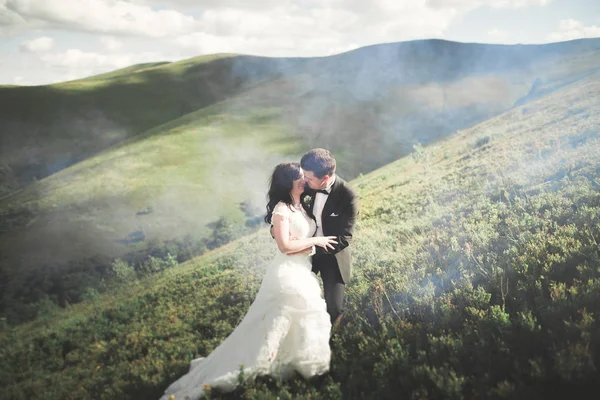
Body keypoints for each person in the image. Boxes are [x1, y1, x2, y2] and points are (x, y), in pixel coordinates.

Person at [159, 162, 337, 400]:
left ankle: (301, 365)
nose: (305, 181)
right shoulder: (282, 210)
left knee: (304, 317)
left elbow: (301, 237)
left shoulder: (301, 205)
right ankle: (272, 366)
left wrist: (308, 242)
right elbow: (285, 247)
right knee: (281, 320)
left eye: (305, 177)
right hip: (287, 274)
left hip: (302, 270)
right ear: (288, 184)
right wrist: (315, 242)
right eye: (300, 178)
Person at [300, 149, 360, 329]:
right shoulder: (306, 186)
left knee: (334, 308)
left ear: (325, 178)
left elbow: (345, 237)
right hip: (303, 251)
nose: (305, 181)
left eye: (309, 178)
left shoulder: (348, 195)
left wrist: (316, 246)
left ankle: (331, 341)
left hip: (331, 256)